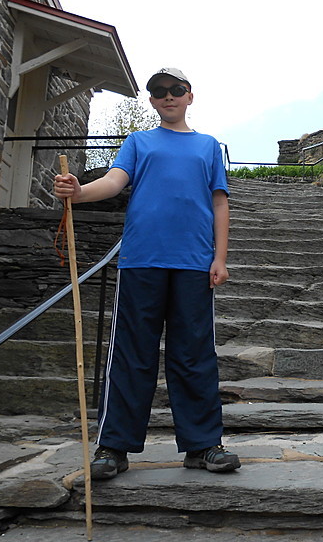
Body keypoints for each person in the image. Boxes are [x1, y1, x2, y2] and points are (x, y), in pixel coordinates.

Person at [53, 67, 240, 479]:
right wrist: (79, 193)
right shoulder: (138, 142)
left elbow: (220, 205)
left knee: (194, 354)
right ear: (152, 100)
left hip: (194, 263)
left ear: (190, 96)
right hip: (141, 260)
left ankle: (203, 444)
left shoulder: (208, 147)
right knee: (130, 353)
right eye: (158, 92)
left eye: (176, 90)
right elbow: (115, 181)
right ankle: (113, 447)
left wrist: (220, 259)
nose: (167, 96)